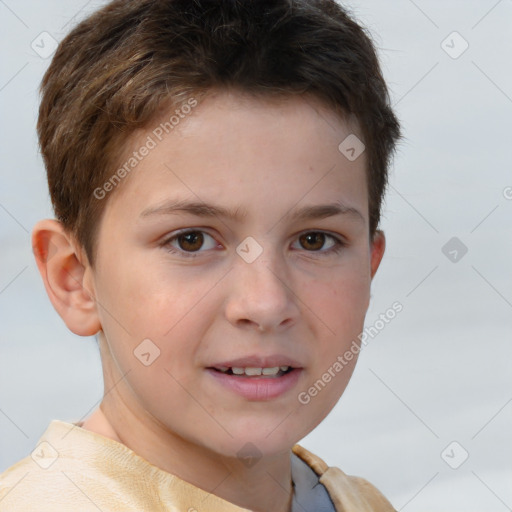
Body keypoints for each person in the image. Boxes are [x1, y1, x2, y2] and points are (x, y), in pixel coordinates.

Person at [0, 0, 401, 510]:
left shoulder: (360, 503)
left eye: (315, 240)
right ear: (74, 278)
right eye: (191, 240)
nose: (264, 303)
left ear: (370, 265)